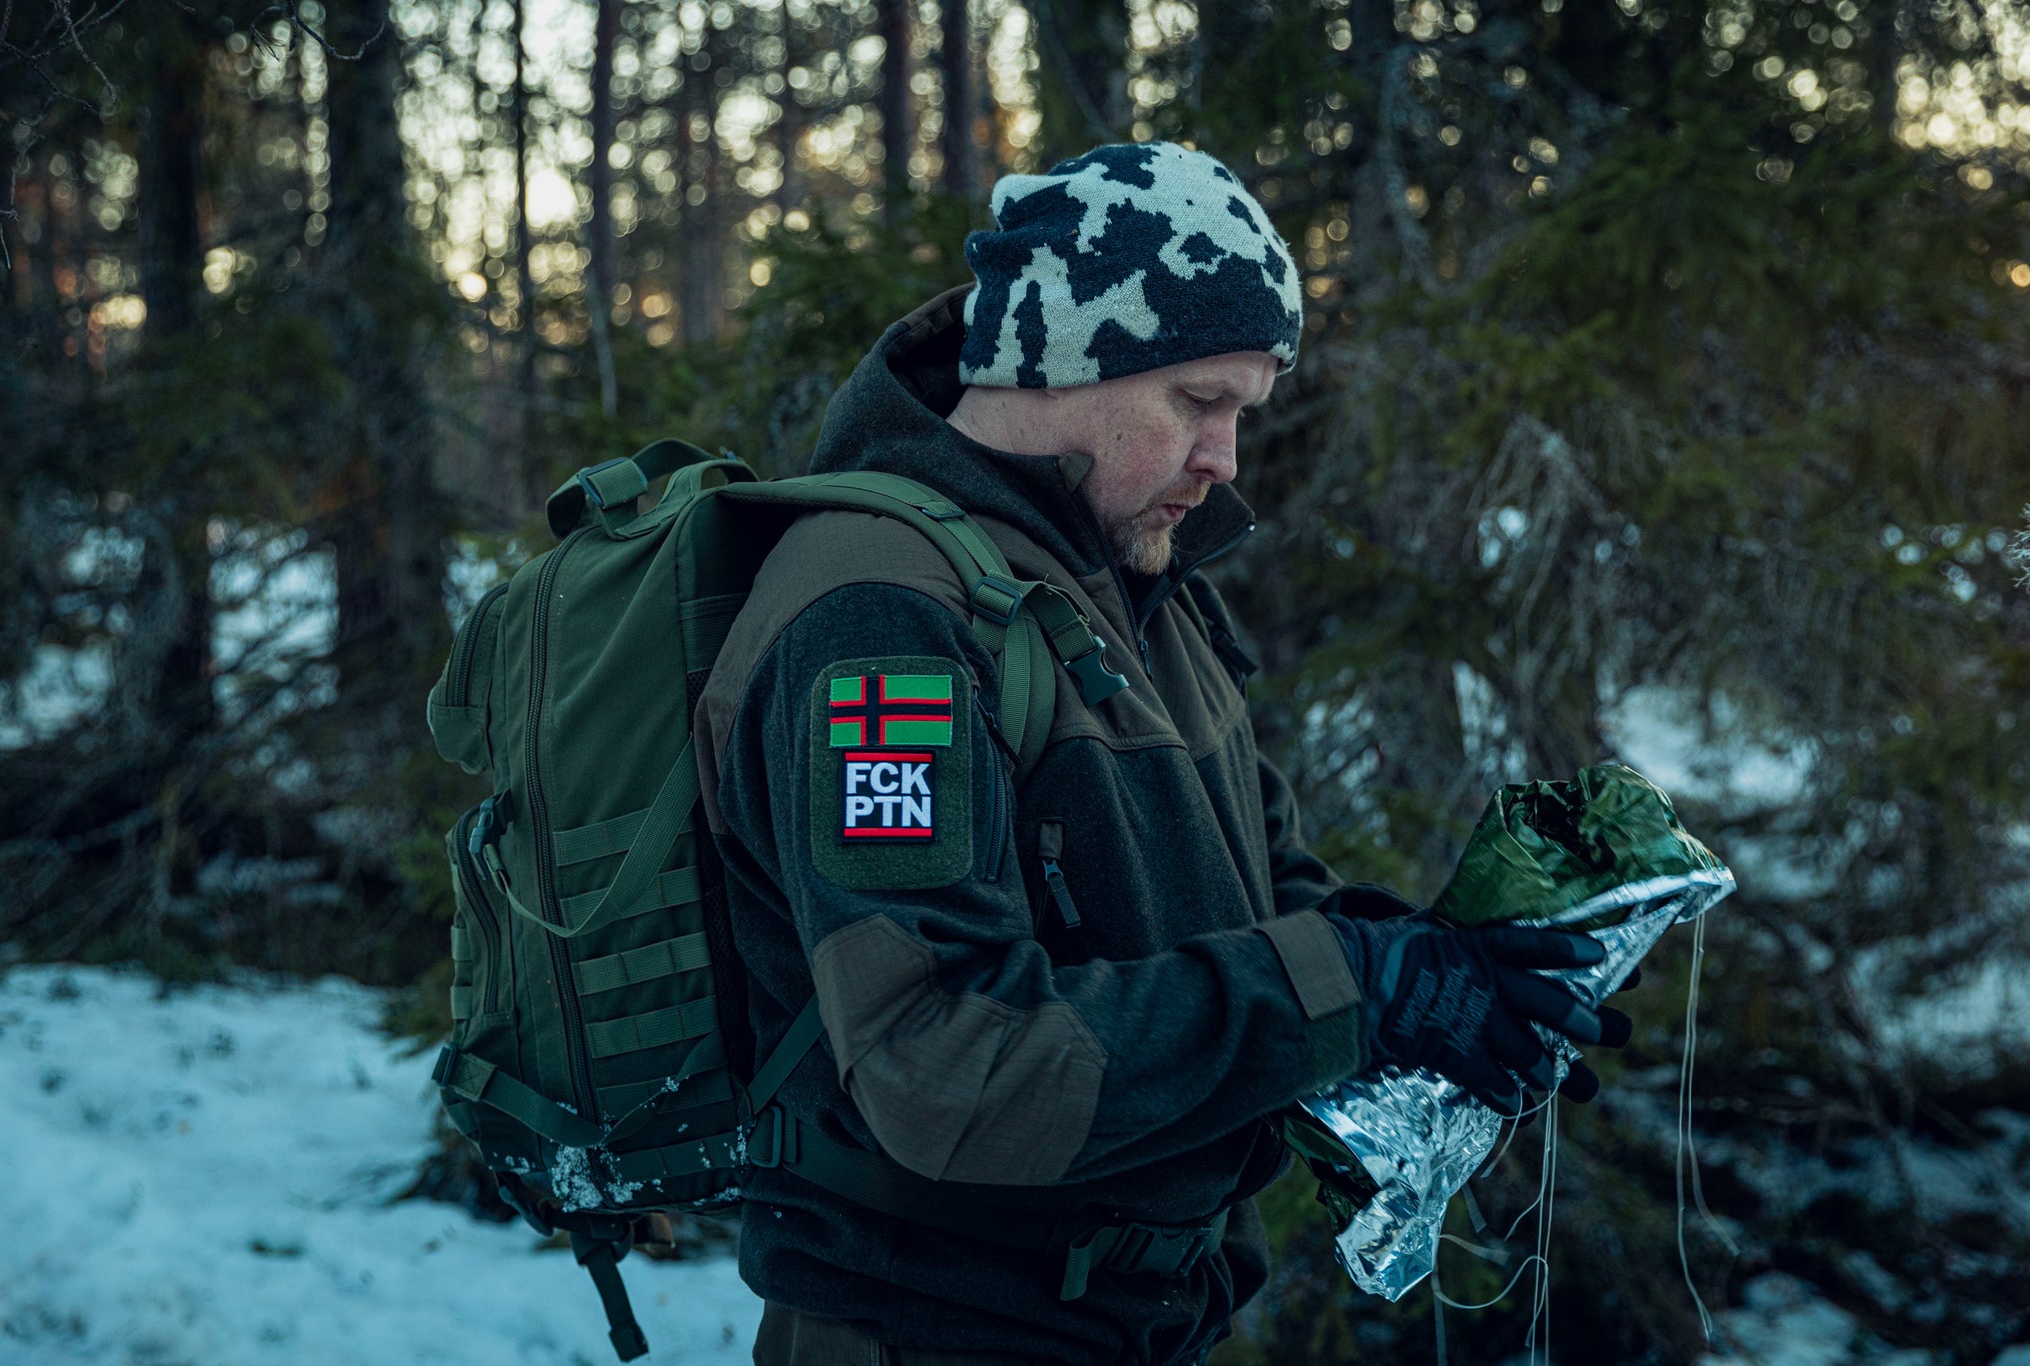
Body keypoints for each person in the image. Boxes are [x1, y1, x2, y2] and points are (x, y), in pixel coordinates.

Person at [692, 141, 1627, 1366]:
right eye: (1198, 401)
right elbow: (944, 1067)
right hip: (936, 1330)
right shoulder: (881, 624)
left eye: (1243, 410)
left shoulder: (1133, 584)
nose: (1224, 458)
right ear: (1060, 358)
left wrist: (1438, 985)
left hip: (1144, 1319)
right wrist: (1341, 980)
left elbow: (1257, 899)